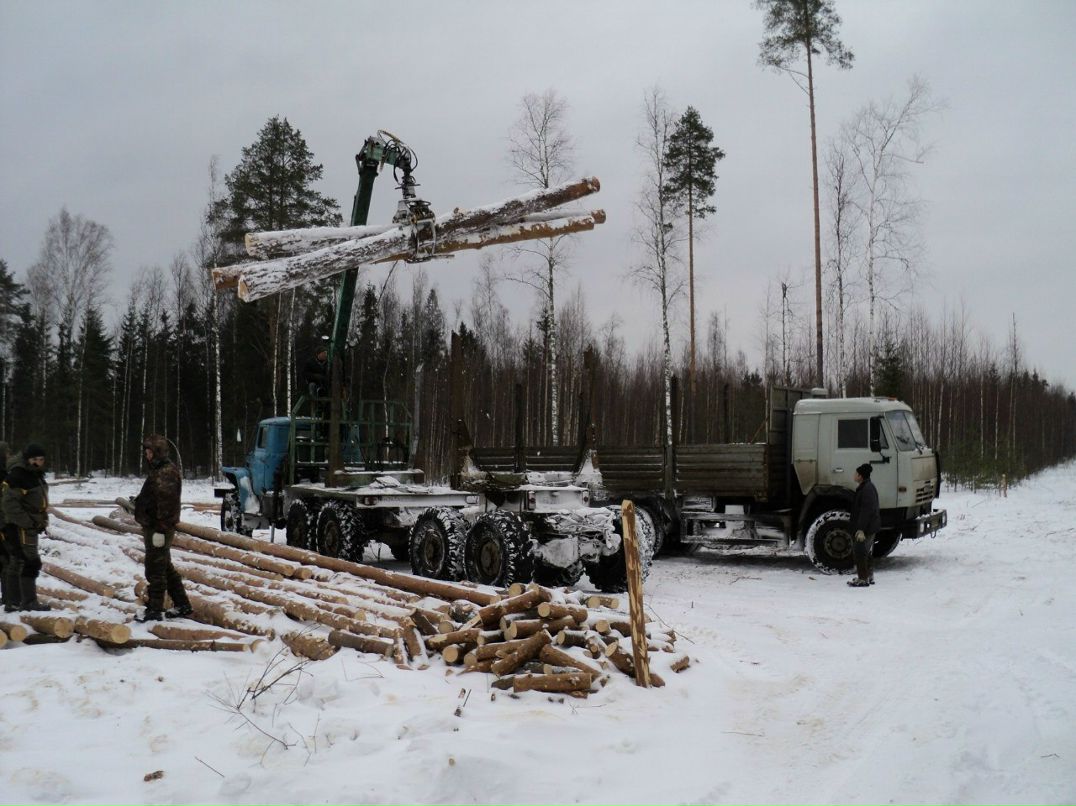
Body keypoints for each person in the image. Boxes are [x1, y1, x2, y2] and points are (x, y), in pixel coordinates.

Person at [133, 434, 192, 621]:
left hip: (159, 528)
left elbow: (166, 504)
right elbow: (154, 497)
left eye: (149, 452)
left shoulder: (166, 473)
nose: (147, 455)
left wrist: (160, 529)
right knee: (164, 566)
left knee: (155, 568)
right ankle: (182, 604)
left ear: (157, 452)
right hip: (155, 526)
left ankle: (155, 609)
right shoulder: (159, 471)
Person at [1, 443, 51, 611]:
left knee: (19, 560)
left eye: (41, 459)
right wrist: (28, 522)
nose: (38, 462)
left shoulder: (34, 474)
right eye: (34, 459)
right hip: (20, 526)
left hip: (29, 524)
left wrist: (41, 519)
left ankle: (14, 601)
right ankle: (26, 601)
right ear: (27, 459)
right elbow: (9, 504)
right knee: (29, 561)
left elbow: (37, 501)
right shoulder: (18, 475)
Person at [848, 462, 881, 588]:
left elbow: (866, 511)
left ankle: (863, 579)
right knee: (865, 552)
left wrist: (861, 529)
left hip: (867, 528)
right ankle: (869, 576)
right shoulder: (866, 487)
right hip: (869, 526)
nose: (854, 475)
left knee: (860, 552)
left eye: (856, 473)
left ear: (860, 476)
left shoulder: (867, 489)